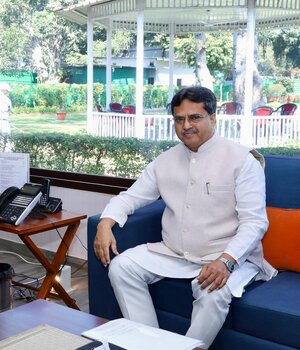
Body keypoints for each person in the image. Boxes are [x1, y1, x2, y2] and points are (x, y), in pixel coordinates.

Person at [93, 87, 277, 349]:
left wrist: (225, 261)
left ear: (213, 118)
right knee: (122, 266)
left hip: (228, 256)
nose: (186, 126)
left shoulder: (242, 160)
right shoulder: (165, 161)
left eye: (195, 118)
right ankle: (148, 345)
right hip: (175, 253)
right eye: (179, 119)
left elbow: (255, 222)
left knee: (213, 291)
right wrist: (105, 222)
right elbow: (131, 197)